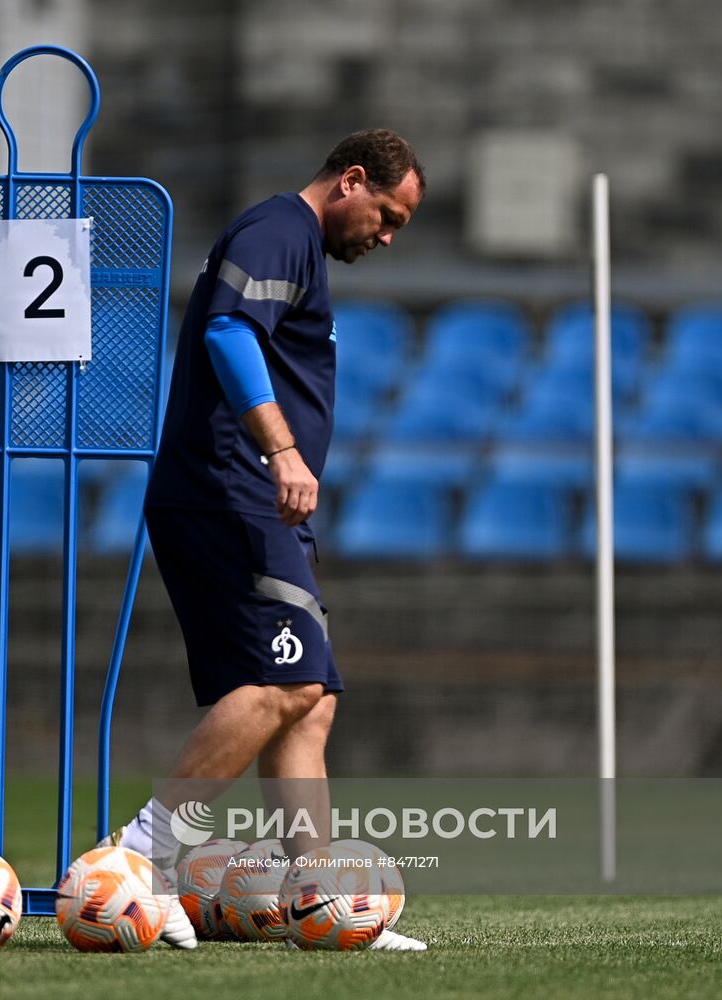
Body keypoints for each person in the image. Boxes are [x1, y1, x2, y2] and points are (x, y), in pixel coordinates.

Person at [104, 129, 428, 952]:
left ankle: (317, 908)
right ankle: (141, 855)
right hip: (230, 491)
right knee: (280, 683)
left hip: (251, 501)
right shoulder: (277, 231)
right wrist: (282, 450)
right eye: (386, 215)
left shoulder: (300, 248)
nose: (386, 236)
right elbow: (226, 334)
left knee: (309, 699)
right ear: (351, 181)